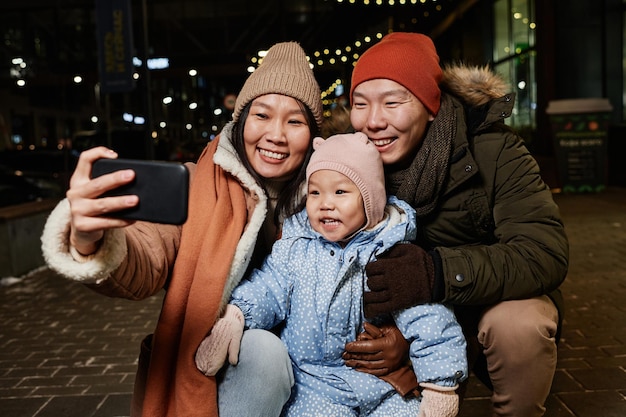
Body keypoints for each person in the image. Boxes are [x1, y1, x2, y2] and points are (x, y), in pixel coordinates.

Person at [40, 41, 323, 417]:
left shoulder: (335, 197)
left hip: (318, 377)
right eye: (262, 115)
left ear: (313, 136)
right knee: (262, 353)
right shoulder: (197, 187)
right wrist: (92, 237)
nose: (276, 134)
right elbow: (147, 254)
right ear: (240, 123)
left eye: (295, 121)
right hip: (217, 373)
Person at [340, 32, 569, 417]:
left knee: (519, 327)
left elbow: (542, 252)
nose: (373, 121)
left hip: (480, 304)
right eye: (360, 104)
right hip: (400, 317)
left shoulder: (495, 151)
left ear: (430, 106)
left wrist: (437, 273)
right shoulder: (344, 164)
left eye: (392, 102)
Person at [194, 132, 468, 417]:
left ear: (370, 201)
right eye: (315, 192)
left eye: (340, 192)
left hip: (378, 385)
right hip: (311, 385)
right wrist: (238, 314)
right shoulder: (296, 248)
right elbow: (268, 288)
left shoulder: (391, 253)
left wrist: (440, 386)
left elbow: (428, 318)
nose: (326, 203)